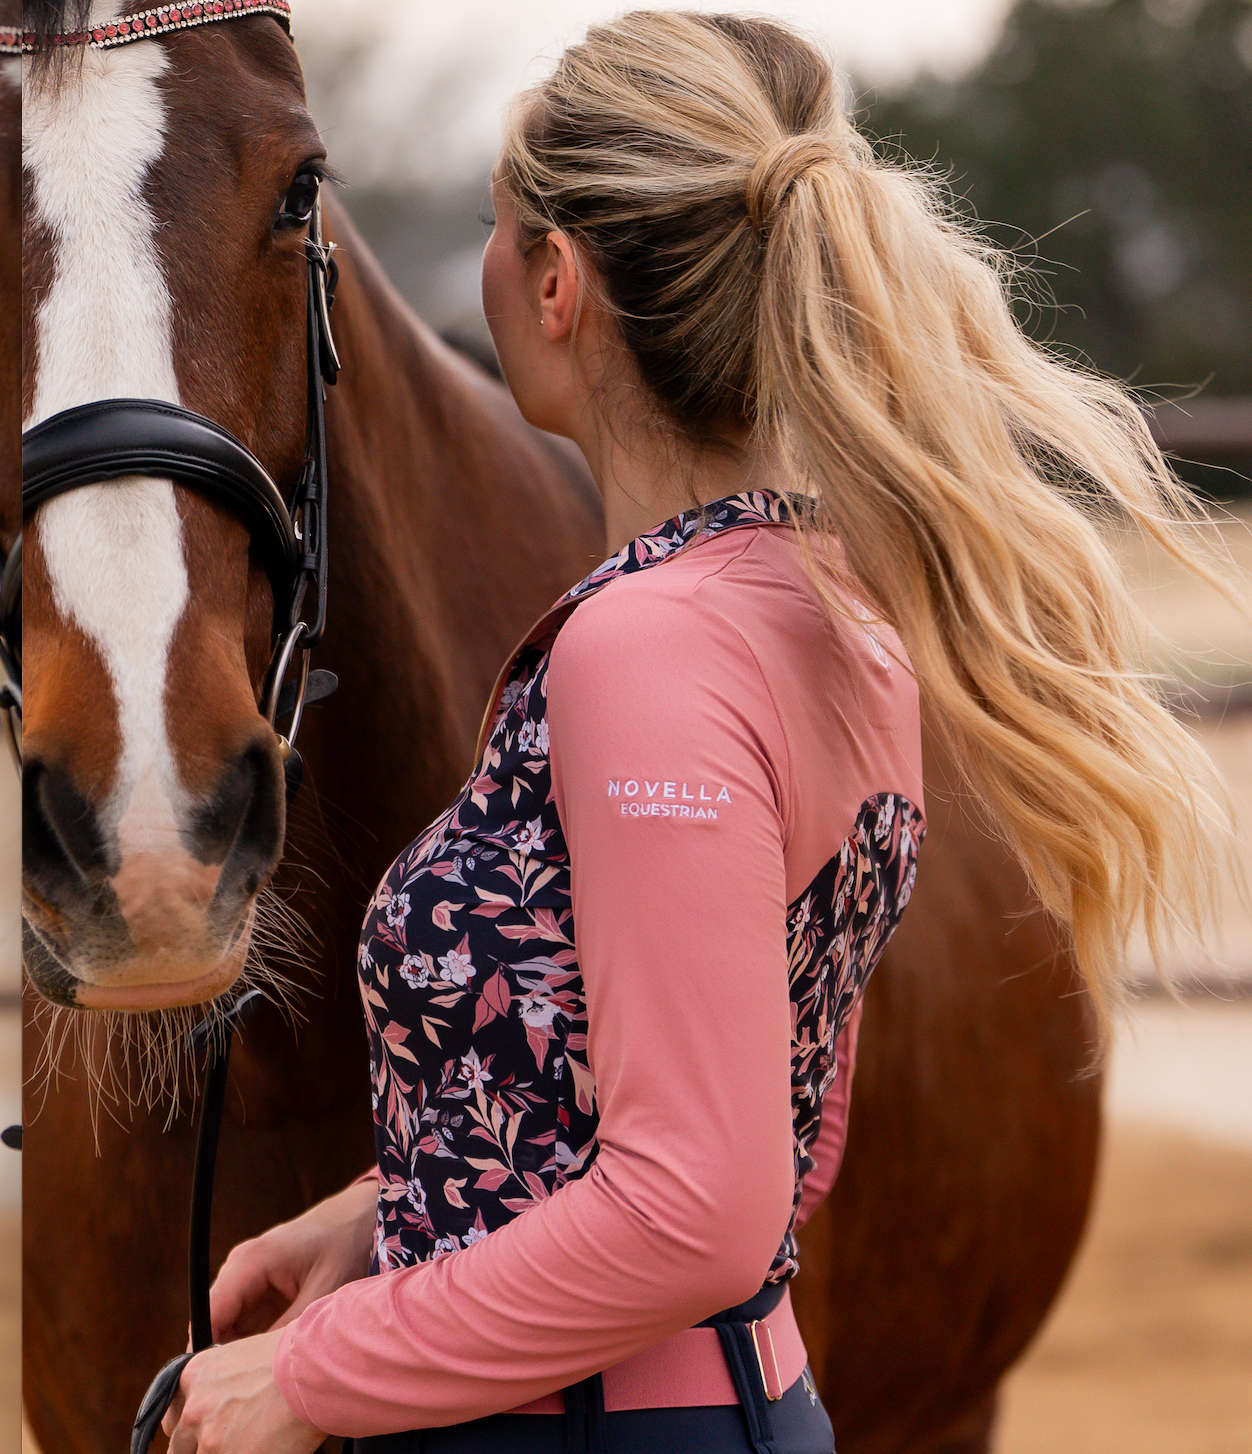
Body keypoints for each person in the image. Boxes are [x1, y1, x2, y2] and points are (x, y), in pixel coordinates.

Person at [161, 11, 1236, 1453]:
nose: (482, 270)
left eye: (496, 230)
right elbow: (779, 1110)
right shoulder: (840, 615)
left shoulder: (645, 648)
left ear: (557, 283)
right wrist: (402, 1208)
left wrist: (313, 1371)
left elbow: (701, 1207)